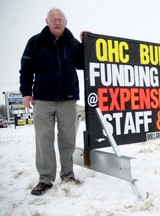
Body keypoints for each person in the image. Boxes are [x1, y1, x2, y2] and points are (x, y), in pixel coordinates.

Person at [19, 8, 84, 195]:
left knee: (67, 139)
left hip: (68, 99)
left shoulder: (72, 43)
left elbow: (83, 62)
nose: (57, 22)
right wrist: (25, 93)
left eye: (60, 19)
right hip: (42, 99)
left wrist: (86, 42)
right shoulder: (35, 42)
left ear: (66, 22)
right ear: (46, 21)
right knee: (43, 140)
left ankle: (68, 175)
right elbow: (25, 69)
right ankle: (45, 180)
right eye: (53, 19)